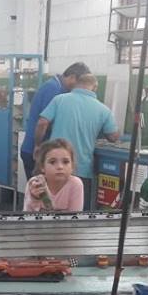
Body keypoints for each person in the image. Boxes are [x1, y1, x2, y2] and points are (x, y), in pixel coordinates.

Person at [35, 72, 118, 211]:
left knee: (45, 207)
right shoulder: (103, 110)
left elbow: (42, 122)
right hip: (82, 169)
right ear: (95, 87)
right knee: (77, 212)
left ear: (77, 84)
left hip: (53, 167)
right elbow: (114, 136)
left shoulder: (59, 99)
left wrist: (38, 145)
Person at [20, 62, 89, 180]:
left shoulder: (58, 89)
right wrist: (37, 145)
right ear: (72, 77)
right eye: (79, 84)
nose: (79, 89)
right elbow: (43, 122)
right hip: (36, 151)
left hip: (42, 151)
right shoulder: (53, 89)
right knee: (40, 189)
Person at [24, 138, 84, 213]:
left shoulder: (75, 184)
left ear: (72, 166)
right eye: (52, 162)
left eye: (65, 162)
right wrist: (34, 198)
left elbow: (76, 216)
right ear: (42, 167)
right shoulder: (35, 184)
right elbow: (27, 216)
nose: (60, 167)